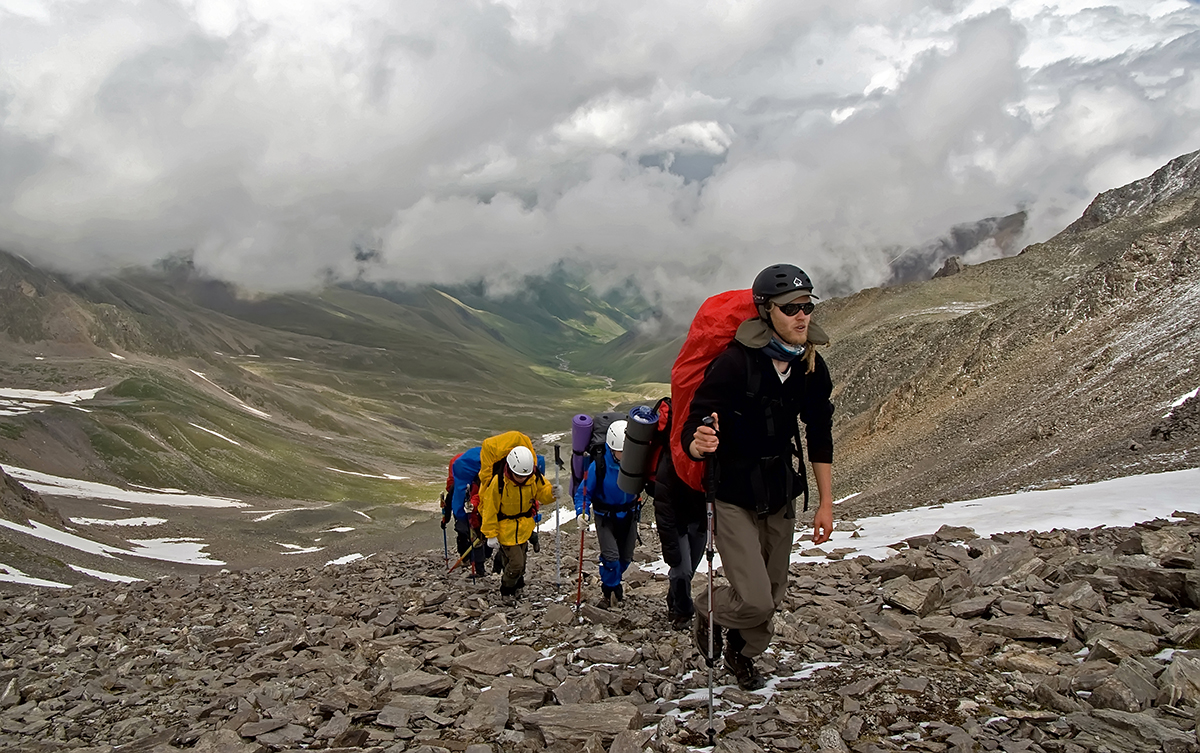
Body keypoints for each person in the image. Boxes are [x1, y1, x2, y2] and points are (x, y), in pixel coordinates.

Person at [681, 263, 834, 690]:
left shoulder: (810, 367)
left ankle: (741, 651)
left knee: (774, 592)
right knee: (754, 598)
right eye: (791, 309)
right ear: (766, 312)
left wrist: (826, 503)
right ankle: (708, 606)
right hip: (732, 492)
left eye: (807, 306)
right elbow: (695, 420)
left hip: (779, 489)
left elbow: (820, 433)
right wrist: (699, 444)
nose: (802, 316)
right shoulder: (735, 364)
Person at [574, 420, 642, 608]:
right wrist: (581, 512)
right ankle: (610, 588)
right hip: (605, 517)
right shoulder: (599, 466)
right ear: (612, 448)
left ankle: (613, 583)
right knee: (611, 557)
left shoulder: (635, 462)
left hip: (629, 515)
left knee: (625, 558)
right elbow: (583, 493)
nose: (625, 455)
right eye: (622, 451)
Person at [479, 446, 554, 605]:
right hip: (506, 530)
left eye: (525, 475)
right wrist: (490, 534)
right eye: (519, 475)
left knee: (521, 561)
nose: (522, 479)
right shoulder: (499, 482)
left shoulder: (534, 477)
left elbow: (543, 492)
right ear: (511, 469)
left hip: (524, 528)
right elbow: (489, 508)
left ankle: (518, 584)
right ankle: (506, 590)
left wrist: (552, 493)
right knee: (516, 563)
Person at [652, 449, 707, 629]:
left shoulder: (711, 460)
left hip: (700, 523)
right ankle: (683, 612)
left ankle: (674, 599)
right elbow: (663, 509)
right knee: (682, 570)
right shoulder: (669, 463)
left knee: (688, 571)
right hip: (677, 524)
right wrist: (671, 551)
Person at [442, 447, 490, 577]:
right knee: (478, 540)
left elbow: (449, 500)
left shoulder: (457, 485)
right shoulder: (479, 482)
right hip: (476, 516)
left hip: (462, 516)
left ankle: (466, 559)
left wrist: (445, 519)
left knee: (464, 537)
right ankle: (479, 567)